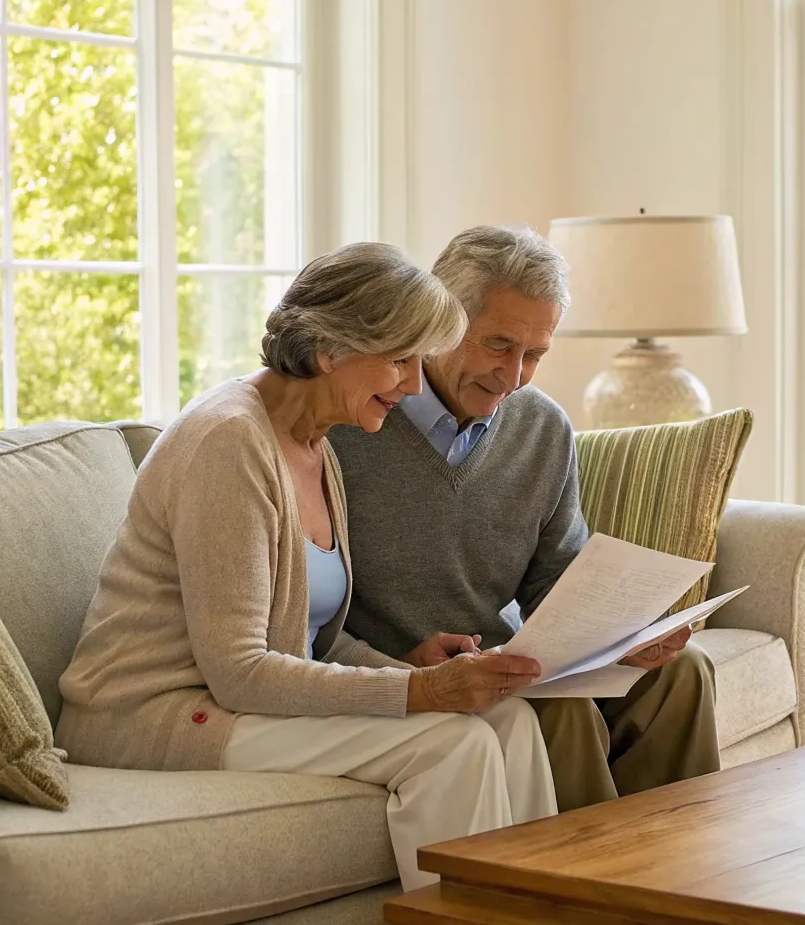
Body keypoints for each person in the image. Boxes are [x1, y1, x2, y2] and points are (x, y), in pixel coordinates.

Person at [56, 242, 555, 891]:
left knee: (507, 719)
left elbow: (314, 638)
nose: (410, 386)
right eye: (400, 361)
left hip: (235, 703)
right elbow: (238, 672)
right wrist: (419, 694)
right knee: (450, 744)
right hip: (155, 715)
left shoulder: (317, 446)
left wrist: (411, 669)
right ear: (330, 351)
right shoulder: (229, 441)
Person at [329, 224, 720, 813]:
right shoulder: (349, 424)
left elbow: (557, 582)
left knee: (681, 675)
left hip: (507, 662)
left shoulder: (542, 428)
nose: (513, 377)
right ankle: (584, 893)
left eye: (534, 354)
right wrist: (398, 671)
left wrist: (627, 638)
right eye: (498, 345)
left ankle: (676, 885)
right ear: (440, 318)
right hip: (405, 675)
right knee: (558, 711)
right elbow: (304, 613)